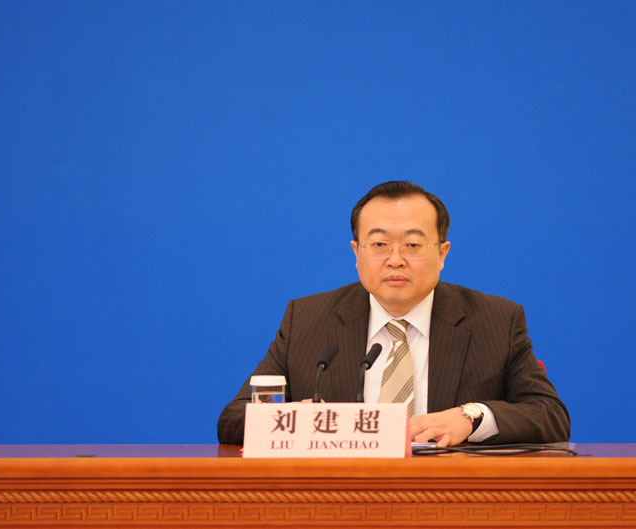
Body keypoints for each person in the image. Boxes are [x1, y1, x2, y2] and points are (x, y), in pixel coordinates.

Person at [217, 181, 570, 447]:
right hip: (340, 501)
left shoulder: (495, 320)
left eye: (413, 245)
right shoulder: (308, 319)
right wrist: (294, 422)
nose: (395, 259)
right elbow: (233, 419)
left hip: (452, 500)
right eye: (379, 244)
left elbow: (551, 416)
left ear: (442, 253)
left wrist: (471, 417)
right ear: (357, 252)